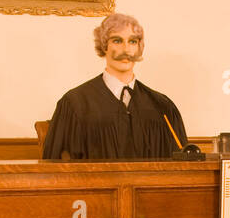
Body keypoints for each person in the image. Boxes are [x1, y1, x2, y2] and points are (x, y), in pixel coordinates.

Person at [42, 14, 198, 161]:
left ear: (139, 47)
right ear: (104, 46)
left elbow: (182, 169)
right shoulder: (75, 104)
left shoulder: (162, 107)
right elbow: (54, 171)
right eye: (117, 41)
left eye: (132, 41)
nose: (126, 50)